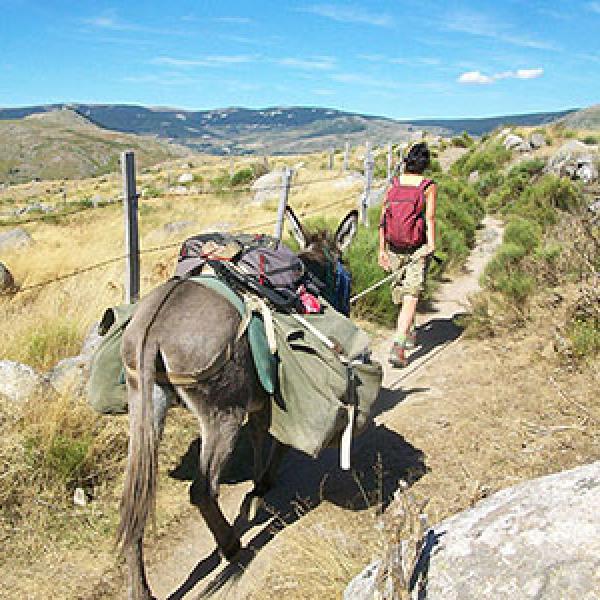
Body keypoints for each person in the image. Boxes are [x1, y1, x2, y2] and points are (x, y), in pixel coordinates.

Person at [378, 142, 436, 367]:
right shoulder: (427, 186)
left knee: (400, 292)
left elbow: (383, 219)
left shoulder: (393, 183)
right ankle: (399, 345)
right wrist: (431, 244)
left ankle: (408, 332)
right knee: (411, 294)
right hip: (416, 246)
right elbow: (429, 218)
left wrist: (381, 249)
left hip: (393, 245)